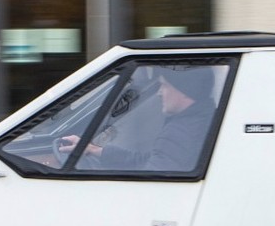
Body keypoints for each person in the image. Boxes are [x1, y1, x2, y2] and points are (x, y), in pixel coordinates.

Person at [56, 65, 220, 172]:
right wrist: (94, 150)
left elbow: (153, 182)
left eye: (164, 86)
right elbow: (148, 161)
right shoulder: (196, 121)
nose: (159, 93)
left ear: (184, 91)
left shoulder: (182, 132)